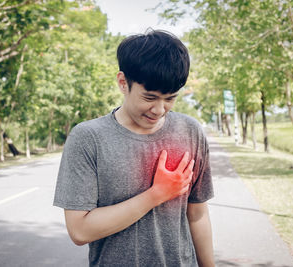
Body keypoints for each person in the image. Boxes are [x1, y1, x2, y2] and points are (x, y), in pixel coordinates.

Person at [53, 30, 214, 267]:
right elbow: (80, 230)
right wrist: (156, 194)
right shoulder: (88, 138)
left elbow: (197, 214)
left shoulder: (190, 131)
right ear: (122, 83)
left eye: (170, 98)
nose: (159, 109)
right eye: (149, 98)